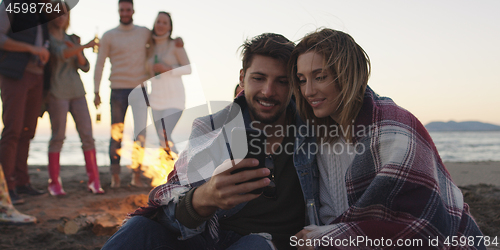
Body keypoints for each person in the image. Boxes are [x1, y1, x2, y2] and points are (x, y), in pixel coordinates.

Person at [102, 33, 321, 250]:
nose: (268, 91)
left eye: (282, 82)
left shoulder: (314, 129)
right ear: (242, 78)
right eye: (259, 78)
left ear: (293, 84)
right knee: (140, 228)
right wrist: (202, 200)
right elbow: (168, 217)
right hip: (206, 238)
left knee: (256, 245)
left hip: (265, 244)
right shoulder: (211, 128)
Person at [289, 28, 485, 249]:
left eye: (320, 77)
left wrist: (326, 238)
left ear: (347, 74)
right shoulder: (318, 133)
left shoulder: (392, 127)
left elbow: (422, 227)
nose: (308, 91)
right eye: (302, 80)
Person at [94, 0, 184, 188]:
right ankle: (115, 176)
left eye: (128, 9)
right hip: (117, 90)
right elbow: (100, 63)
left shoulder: (144, 32)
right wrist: (96, 90)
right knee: (116, 134)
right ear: (119, 11)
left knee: (140, 135)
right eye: (122, 10)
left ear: (133, 11)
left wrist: (176, 40)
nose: (125, 12)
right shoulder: (109, 36)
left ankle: (136, 175)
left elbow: (162, 36)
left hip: (140, 90)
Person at [45, 1, 104, 196]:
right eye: (58, 14)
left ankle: (94, 181)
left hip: (77, 91)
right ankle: (54, 183)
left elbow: (84, 66)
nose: (61, 17)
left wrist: (79, 49)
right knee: (58, 137)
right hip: (57, 92)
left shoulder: (71, 37)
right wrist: (84, 45)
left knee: (87, 136)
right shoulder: (47, 38)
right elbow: (62, 55)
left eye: (64, 14)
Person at [0, 0, 51, 204]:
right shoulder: (9, 5)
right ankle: (6, 187)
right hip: (15, 74)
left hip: (37, 76)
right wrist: (32, 49)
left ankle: (22, 182)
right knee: (12, 130)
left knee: (28, 131)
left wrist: (43, 50)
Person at [146, 12, 190, 154]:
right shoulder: (149, 47)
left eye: (165, 23)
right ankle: (167, 172)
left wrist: (168, 69)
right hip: (156, 99)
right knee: (162, 139)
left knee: (164, 133)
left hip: (174, 98)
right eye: (158, 21)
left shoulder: (175, 45)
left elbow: (188, 69)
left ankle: (179, 171)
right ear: (154, 24)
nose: (161, 25)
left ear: (170, 27)